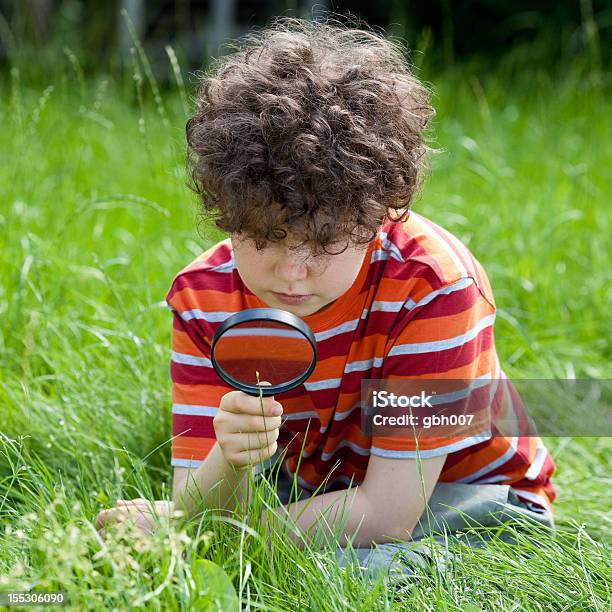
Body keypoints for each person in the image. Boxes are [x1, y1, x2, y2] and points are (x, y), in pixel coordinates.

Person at [95, 16, 555, 578]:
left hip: (471, 497)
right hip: (333, 481)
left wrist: (194, 534)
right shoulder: (203, 299)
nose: (293, 272)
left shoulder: (431, 286)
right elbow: (198, 491)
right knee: (268, 558)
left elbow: (389, 513)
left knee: (344, 577)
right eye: (265, 238)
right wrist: (229, 463)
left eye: (324, 242)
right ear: (228, 211)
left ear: (378, 214)